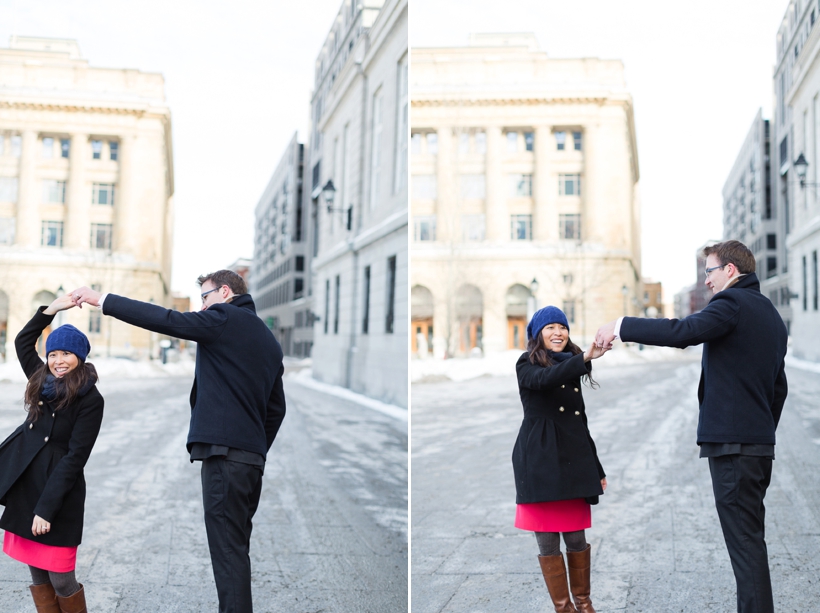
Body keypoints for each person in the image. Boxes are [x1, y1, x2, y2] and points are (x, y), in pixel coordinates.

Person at [71, 270, 286, 613]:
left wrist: (102, 300)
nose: (202, 306)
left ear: (226, 292)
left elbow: (166, 319)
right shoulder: (268, 339)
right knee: (235, 551)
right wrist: (254, 447)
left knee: (228, 554)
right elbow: (276, 409)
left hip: (224, 456)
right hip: (249, 462)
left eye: (205, 296)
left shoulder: (223, 317)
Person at [595, 240, 788, 613]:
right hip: (757, 445)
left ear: (730, 270)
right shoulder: (770, 315)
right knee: (750, 541)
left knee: (745, 547)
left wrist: (621, 326)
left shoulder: (732, 304)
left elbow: (682, 332)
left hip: (734, 446)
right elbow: (778, 388)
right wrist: (761, 432)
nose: (707, 281)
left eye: (710, 271)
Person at [0, 294, 102, 613]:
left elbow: (76, 458)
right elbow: (22, 341)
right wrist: (51, 310)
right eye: (53, 353)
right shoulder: (41, 378)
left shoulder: (90, 398)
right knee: (36, 572)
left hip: (58, 491)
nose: (59, 360)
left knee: (61, 578)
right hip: (27, 479)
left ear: (80, 356)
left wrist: (46, 509)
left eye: (67, 354)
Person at [513, 305, 609, 613]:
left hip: (572, 459)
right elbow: (546, 379)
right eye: (550, 327)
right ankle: (563, 607)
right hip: (540, 460)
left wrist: (597, 468)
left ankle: (584, 603)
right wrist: (583, 358)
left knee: (576, 537)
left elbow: (580, 422)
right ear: (537, 334)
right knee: (548, 541)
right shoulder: (526, 364)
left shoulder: (571, 365)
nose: (558, 332)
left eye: (563, 327)